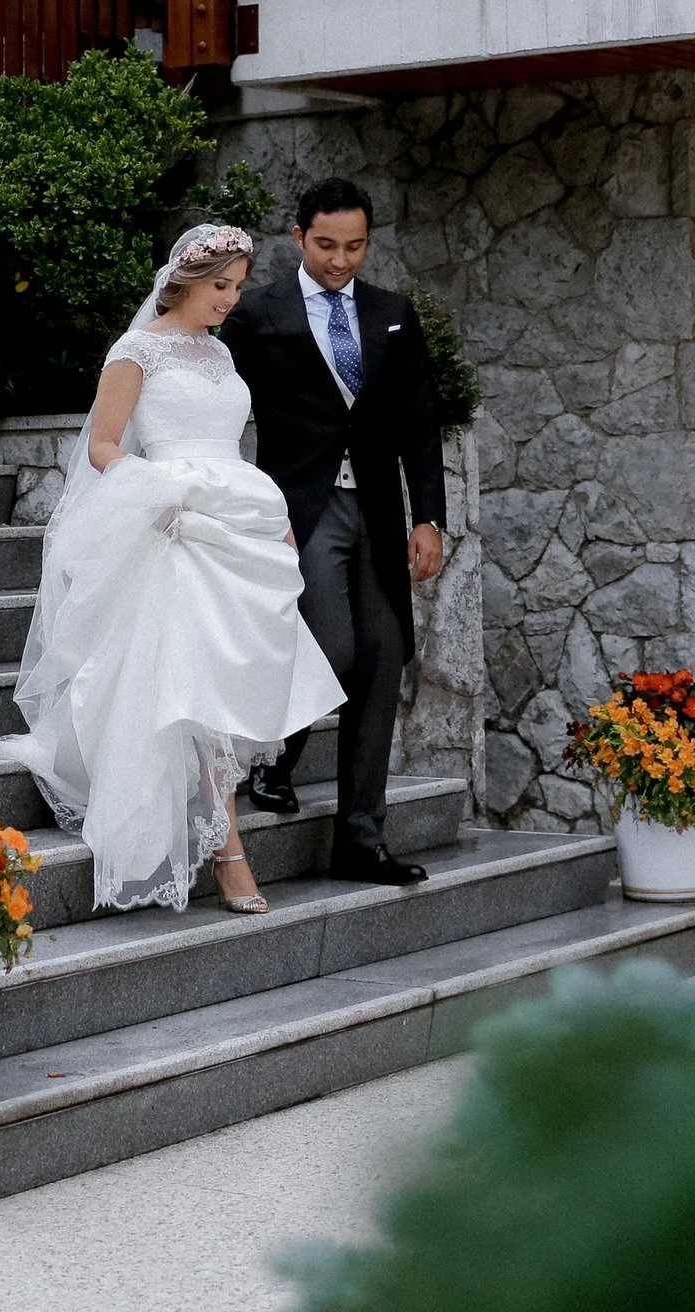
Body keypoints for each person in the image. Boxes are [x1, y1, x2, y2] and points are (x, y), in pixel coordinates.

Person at [0, 224, 344, 915]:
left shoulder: (218, 353)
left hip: (233, 522)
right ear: (185, 282)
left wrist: (263, 515)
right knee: (191, 683)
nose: (230, 300)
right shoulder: (134, 351)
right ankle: (229, 853)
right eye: (221, 287)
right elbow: (101, 446)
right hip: (171, 526)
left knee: (225, 679)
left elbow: (226, 446)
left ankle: (225, 838)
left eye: (238, 288)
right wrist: (154, 499)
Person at [219, 178, 446, 887]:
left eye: (354, 246)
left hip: (376, 512)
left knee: (381, 664)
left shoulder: (393, 315)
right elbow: (217, 404)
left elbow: (418, 423)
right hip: (298, 513)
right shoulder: (258, 314)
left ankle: (361, 842)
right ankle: (274, 758)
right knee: (335, 651)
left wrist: (428, 517)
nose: (340, 260)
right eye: (325, 245)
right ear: (297, 238)